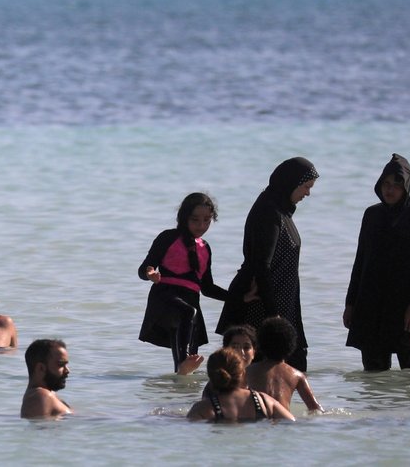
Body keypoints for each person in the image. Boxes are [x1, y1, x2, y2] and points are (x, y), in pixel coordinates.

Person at [216, 157, 319, 371]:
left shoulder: (281, 211)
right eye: (306, 186)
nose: (308, 193)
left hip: (283, 304)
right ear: (290, 183)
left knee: (291, 367)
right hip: (263, 309)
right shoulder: (269, 212)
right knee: (262, 371)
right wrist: (273, 316)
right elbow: (262, 265)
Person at [344, 154, 410, 373]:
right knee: (374, 376)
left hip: (408, 306)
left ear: (406, 187)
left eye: (396, 185)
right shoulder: (371, 214)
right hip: (371, 305)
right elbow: (360, 262)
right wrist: (350, 304)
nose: (390, 190)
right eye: (386, 184)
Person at [138, 193, 230, 374]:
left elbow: (207, 288)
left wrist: (236, 297)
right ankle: (182, 364)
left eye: (206, 220)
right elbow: (143, 269)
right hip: (166, 297)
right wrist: (150, 274)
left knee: (189, 367)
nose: (201, 225)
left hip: (191, 301)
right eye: (195, 220)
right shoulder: (168, 238)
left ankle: (182, 391)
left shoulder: (205, 248)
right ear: (184, 217)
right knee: (188, 313)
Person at [187, 347, 294, 423]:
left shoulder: (202, 408)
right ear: (243, 373)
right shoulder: (264, 401)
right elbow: (292, 422)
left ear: (211, 375)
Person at [247, 317, 322, 412]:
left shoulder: (247, 371)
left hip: (257, 418)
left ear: (260, 343)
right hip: (284, 420)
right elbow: (315, 408)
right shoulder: (297, 375)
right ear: (291, 345)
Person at [21, 339, 72, 418]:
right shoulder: (40, 397)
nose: (67, 370)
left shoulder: (47, 394)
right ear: (41, 368)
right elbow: (40, 429)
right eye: (61, 365)